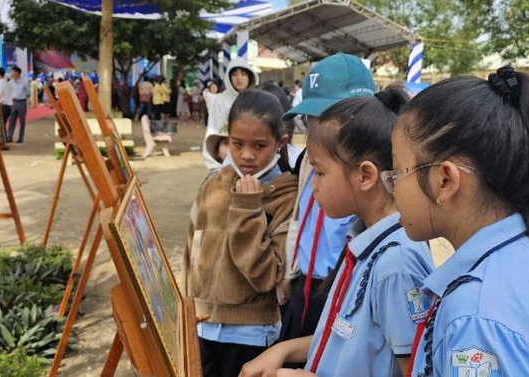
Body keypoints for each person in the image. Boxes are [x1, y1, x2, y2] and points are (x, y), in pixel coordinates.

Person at [389, 66, 529, 377]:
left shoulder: (476, 318)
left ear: (445, 180)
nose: (388, 186)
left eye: (396, 171)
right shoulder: (519, 257)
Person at [239, 87, 434, 377]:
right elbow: (344, 339)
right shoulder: (363, 243)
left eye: (319, 171)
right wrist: (281, 350)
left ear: (365, 175)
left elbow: (415, 372)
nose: (312, 185)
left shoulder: (397, 264)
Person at [182, 89, 298, 377]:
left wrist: (248, 210)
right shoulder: (213, 185)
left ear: (280, 142)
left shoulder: (287, 197)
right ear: (226, 138)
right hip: (201, 325)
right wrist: (185, 305)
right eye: (237, 144)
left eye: (259, 145)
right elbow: (192, 250)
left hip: (251, 337)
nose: (247, 155)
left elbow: (266, 276)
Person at [274, 53, 374, 346]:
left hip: (338, 291)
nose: (315, 127)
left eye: (326, 117)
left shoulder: (373, 173)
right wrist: (289, 272)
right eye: (309, 118)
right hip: (303, 286)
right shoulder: (309, 159)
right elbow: (299, 217)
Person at [202, 58, 257, 170]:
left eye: (243, 74)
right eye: (234, 74)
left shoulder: (257, 99)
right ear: (229, 77)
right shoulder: (220, 100)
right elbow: (214, 129)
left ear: (250, 77)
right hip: (227, 155)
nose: (239, 78)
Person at [7, 66, 30, 144]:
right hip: (13, 102)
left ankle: (20, 138)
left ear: (17, 73)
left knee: (22, 121)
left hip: (21, 102)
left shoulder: (24, 82)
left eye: (12, 72)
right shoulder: (10, 83)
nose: (11, 73)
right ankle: (9, 137)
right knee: (11, 120)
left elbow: (28, 93)